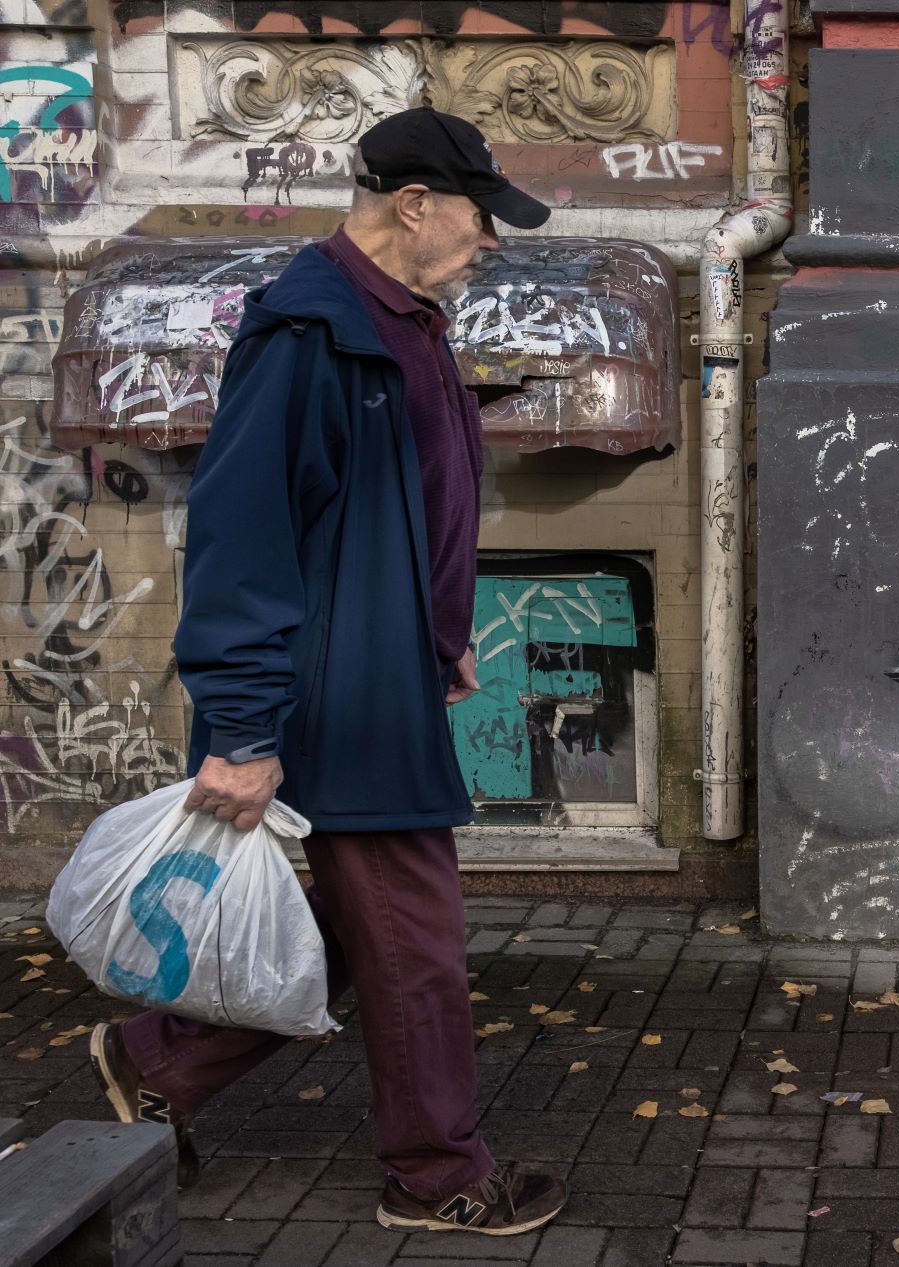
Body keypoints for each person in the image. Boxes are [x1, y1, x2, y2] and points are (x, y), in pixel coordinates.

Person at [85, 107, 568, 1237]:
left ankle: (160, 1065)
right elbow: (246, 541)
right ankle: (436, 1174)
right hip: (329, 700)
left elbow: (401, 506)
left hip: (381, 679)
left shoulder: (405, 321)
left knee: (360, 933)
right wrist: (243, 732)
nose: (492, 240)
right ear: (414, 204)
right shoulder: (312, 331)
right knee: (417, 945)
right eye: (480, 215)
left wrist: (436, 634)